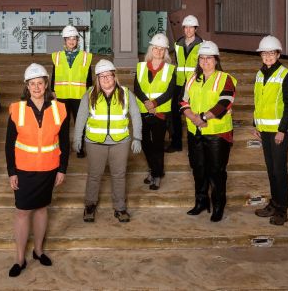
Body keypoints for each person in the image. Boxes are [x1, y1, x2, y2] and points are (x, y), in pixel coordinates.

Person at [5, 63, 69, 277]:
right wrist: (11, 172)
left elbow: (65, 142)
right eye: (32, 84)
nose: (36, 87)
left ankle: (38, 251)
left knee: (42, 209)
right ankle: (19, 258)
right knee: (23, 212)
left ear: (46, 84)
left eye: (39, 83)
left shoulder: (60, 108)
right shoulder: (17, 109)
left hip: (49, 168)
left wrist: (62, 169)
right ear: (27, 86)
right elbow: (9, 144)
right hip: (24, 169)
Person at [74, 59, 142, 223]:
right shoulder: (89, 94)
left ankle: (120, 208)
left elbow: (136, 115)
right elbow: (81, 117)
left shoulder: (126, 93)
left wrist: (137, 137)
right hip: (95, 142)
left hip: (120, 142)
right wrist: (77, 137)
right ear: (97, 78)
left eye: (108, 76)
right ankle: (90, 205)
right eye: (101, 76)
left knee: (119, 175)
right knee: (94, 175)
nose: (105, 79)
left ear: (114, 76)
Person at [180, 41, 237, 223]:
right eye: (202, 59)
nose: (205, 62)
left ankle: (218, 206)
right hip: (195, 132)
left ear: (216, 59)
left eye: (209, 58)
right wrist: (193, 117)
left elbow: (224, 103)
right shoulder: (191, 78)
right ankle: (201, 202)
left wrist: (204, 117)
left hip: (218, 134)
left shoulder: (225, 78)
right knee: (198, 169)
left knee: (216, 171)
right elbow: (183, 102)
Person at [252, 35, 288, 226]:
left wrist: (283, 130)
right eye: (265, 53)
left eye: (272, 53)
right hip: (265, 130)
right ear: (261, 55)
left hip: (279, 131)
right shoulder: (260, 74)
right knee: (271, 170)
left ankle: (282, 210)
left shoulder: (285, 75)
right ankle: (274, 202)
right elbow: (258, 101)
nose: (268, 56)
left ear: (278, 54)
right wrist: (256, 124)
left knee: (279, 170)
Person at [134, 34, 176, 190]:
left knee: (158, 145)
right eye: (156, 48)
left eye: (161, 49)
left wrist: (155, 103)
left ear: (165, 51)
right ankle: (154, 169)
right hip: (143, 111)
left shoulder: (170, 69)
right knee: (145, 142)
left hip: (160, 112)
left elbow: (171, 91)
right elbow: (137, 88)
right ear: (151, 49)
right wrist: (147, 103)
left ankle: (157, 175)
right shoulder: (141, 67)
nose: (158, 51)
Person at [50, 25, 93, 158]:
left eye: (74, 39)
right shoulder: (56, 56)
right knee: (63, 123)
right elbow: (54, 75)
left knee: (80, 123)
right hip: (61, 95)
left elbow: (89, 78)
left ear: (77, 41)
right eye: (68, 39)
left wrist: (89, 93)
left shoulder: (86, 57)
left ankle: (79, 147)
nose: (71, 41)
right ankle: (64, 147)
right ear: (64, 41)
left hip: (79, 95)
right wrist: (52, 91)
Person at [168, 15, 204, 153]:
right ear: (183, 28)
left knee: (194, 111)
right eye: (186, 27)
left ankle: (197, 142)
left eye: (191, 27)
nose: (188, 30)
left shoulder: (202, 44)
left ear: (195, 28)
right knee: (174, 113)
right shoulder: (178, 44)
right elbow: (177, 62)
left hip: (194, 84)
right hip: (179, 82)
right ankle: (176, 143)